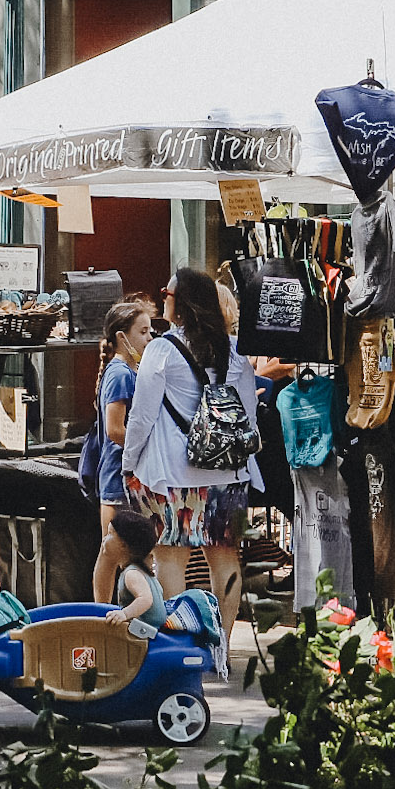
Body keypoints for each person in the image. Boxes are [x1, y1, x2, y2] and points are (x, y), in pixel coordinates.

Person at [120, 267, 262, 672]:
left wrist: (129, 463)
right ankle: (223, 647)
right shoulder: (234, 353)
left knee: (171, 560)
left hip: (173, 474)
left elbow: (142, 418)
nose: (162, 296)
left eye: (167, 292)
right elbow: (248, 417)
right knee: (224, 559)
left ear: (180, 303)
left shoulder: (162, 351)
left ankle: (178, 649)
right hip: (228, 475)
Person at [83, 297, 156, 605]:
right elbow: (115, 430)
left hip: (128, 475)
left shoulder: (129, 370)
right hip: (117, 478)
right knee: (111, 550)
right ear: (122, 337)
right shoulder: (120, 373)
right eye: (143, 331)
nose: (149, 337)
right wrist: (150, 447)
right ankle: (103, 612)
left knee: (128, 551)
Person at [102, 507, 168, 641]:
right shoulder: (142, 571)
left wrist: (124, 614)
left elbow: (146, 599)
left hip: (146, 636)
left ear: (123, 544)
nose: (104, 539)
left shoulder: (132, 573)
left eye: (110, 534)